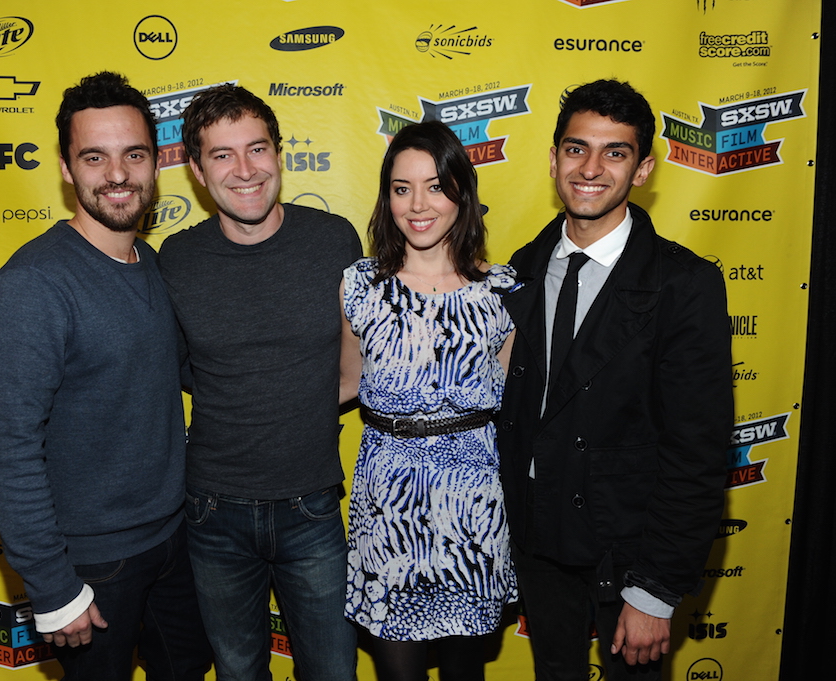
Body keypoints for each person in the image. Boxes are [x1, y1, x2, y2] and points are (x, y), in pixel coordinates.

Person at [0, 71, 210, 681]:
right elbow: (5, 449)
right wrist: (53, 586)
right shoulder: (34, 285)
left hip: (174, 541)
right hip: (93, 565)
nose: (117, 175)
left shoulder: (150, 263)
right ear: (65, 168)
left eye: (133, 154)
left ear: (157, 163)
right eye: (94, 156)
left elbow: (189, 373)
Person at [496, 79, 732, 680]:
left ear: (644, 168)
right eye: (576, 149)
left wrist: (654, 591)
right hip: (537, 542)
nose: (591, 168)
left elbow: (698, 452)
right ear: (554, 159)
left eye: (615, 152)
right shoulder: (521, 268)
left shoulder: (685, 284)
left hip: (628, 551)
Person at [157, 84, 362, 681]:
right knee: (239, 671)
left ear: (279, 153)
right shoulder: (177, 257)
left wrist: (295, 400)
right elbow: (178, 368)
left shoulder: (335, 241)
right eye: (222, 155)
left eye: (257, 148)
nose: (245, 170)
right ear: (196, 170)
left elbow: (361, 359)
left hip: (313, 504)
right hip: (212, 510)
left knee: (332, 671)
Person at [340, 120, 518, 681]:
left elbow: (520, 409)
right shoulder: (360, 286)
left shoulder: (503, 292)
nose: (417, 204)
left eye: (435, 186)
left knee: (466, 674)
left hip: (473, 507)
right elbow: (344, 382)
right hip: (387, 508)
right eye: (401, 187)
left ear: (461, 193)